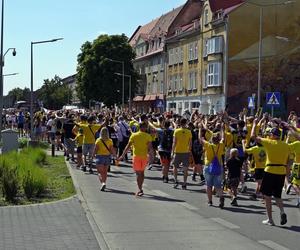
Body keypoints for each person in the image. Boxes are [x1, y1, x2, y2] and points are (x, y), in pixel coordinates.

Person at [251, 119, 289, 226]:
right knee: (278, 196)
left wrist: (254, 124)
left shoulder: (269, 142)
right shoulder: (286, 145)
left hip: (270, 171)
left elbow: (253, 136)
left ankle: (270, 219)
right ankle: (282, 211)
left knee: (267, 196)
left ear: (272, 135)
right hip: (281, 172)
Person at [118, 122, 153, 196]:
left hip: (136, 156)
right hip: (144, 156)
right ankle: (140, 188)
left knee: (138, 173)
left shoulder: (134, 135)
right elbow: (150, 148)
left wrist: (122, 155)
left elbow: (128, 146)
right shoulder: (148, 136)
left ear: (139, 127)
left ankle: (139, 189)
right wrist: (151, 157)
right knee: (142, 173)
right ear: (145, 128)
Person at [199, 122, 225, 208]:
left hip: (208, 166)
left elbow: (200, 138)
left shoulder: (208, 145)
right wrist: (222, 129)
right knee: (218, 185)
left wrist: (200, 128)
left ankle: (210, 201)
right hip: (218, 166)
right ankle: (221, 197)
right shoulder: (221, 145)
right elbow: (223, 138)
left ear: (212, 139)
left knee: (209, 185)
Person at [171, 118, 192, 190]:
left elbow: (174, 142)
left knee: (175, 167)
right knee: (185, 168)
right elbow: (190, 143)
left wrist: (172, 151)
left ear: (180, 123)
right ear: (186, 123)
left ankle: (176, 181)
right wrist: (189, 151)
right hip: (185, 152)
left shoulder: (176, 131)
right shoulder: (189, 132)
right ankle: (184, 183)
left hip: (177, 151)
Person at [94, 127, 116, 191]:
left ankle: (103, 183)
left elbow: (95, 149)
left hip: (100, 157)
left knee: (99, 172)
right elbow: (112, 150)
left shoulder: (98, 140)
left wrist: (92, 156)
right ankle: (104, 182)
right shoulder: (110, 140)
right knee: (105, 172)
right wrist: (115, 156)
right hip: (107, 157)